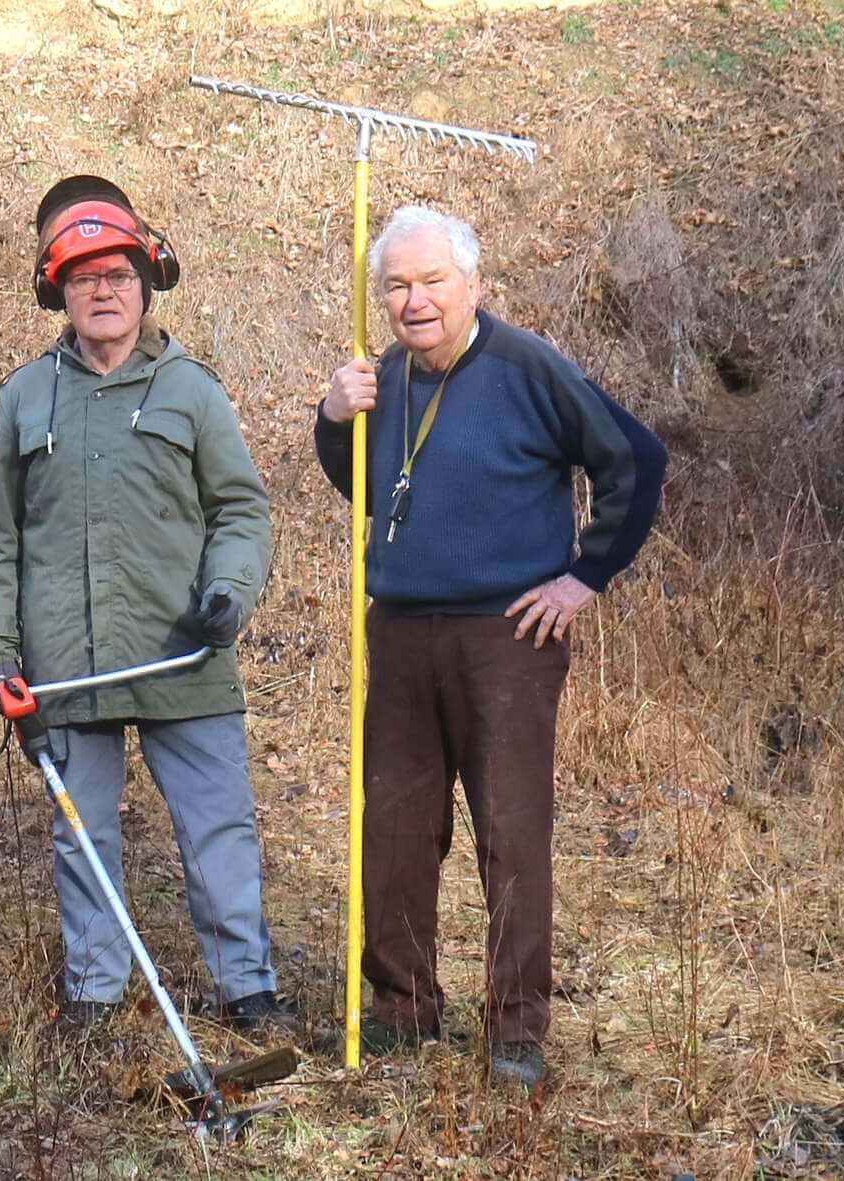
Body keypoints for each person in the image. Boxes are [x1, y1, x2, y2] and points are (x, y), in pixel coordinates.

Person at [314, 206, 667, 1088]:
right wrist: (332, 418)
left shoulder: (526, 365)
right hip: (400, 631)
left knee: (510, 830)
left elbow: (637, 459)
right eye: (397, 285)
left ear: (473, 284)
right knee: (395, 828)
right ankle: (402, 1009)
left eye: (433, 281)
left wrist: (584, 577)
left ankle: (515, 1028)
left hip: (506, 637)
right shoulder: (381, 376)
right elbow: (367, 488)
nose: (414, 300)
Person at [0, 175, 294, 1035]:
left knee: (217, 826)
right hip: (66, 662)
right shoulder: (25, 396)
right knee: (81, 834)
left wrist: (228, 593)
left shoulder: (192, 389)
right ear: (58, 293)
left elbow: (242, 511)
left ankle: (246, 986)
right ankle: (94, 991)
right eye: (83, 279)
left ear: (147, 283)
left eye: (117, 275)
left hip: (184, 651)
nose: (102, 292)